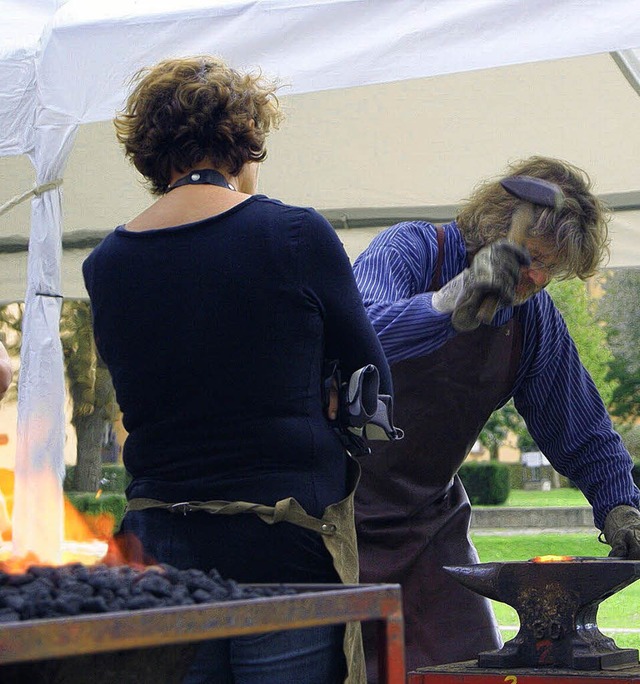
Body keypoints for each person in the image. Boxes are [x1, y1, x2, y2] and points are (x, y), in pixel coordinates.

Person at [82, 55, 392, 684]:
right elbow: (374, 393)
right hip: (284, 539)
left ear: (151, 152)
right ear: (244, 139)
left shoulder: (105, 264)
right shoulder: (295, 235)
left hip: (159, 541)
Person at [351, 155, 640, 678]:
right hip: (336, 513)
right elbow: (360, 334)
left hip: (429, 527)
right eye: (531, 257)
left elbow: (581, 427)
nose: (537, 277)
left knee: (473, 669)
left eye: (551, 269)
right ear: (492, 226)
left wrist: (620, 504)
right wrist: (451, 299)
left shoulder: (533, 318)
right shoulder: (412, 249)